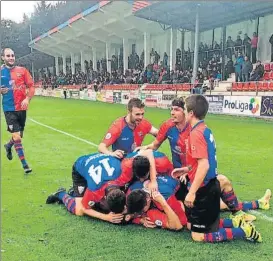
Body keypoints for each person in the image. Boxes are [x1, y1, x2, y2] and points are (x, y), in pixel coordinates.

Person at [172, 94, 262, 243]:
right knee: (190, 225)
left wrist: (192, 192)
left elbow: (204, 164)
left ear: (191, 113)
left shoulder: (196, 133)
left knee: (198, 236)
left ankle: (244, 231)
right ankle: (235, 222)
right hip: (210, 184)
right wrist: (187, 169)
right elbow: (202, 161)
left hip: (204, 189)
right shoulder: (204, 129)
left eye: (185, 109)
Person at [46, 149, 158, 223]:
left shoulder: (125, 169)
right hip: (81, 165)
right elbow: (85, 209)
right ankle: (61, 194)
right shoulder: (94, 190)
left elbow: (148, 152)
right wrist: (106, 217)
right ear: (103, 198)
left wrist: (153, 181)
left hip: (102, 160)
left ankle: (74, 193)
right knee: (79, 210)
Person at [1, 48, 35, 174]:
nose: (11, 57)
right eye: (8, 55)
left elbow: (31, 86)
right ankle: (25, 165)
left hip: (22, 108)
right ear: (3, 58)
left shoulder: (22, 70)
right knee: (17, 136)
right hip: (9, 109)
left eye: (13, 55)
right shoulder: (1, 72)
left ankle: (8, 145)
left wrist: (27, 98)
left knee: (18, 136)